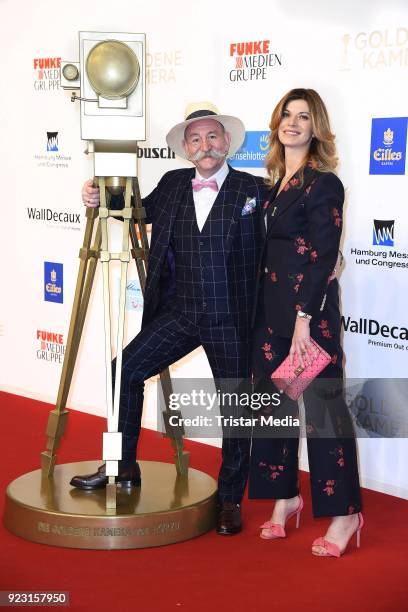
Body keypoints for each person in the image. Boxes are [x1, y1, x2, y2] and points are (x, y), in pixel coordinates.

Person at [71, 102, 267, 535]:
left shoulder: (254, 189)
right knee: (124, 370)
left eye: (212, 136)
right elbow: (136, 208)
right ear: (185, 148)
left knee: (236, 409)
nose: (205, 145)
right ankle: (121, 469)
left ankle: (231, 498)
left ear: (228, 142)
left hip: (230, 319)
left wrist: (329, 258)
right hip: (180, 313)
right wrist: (100, 195)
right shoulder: (174, 183)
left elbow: (293, 229)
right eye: (195, 139)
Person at [248, 88, 363, 557]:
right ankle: (286, 498)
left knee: (322, 417)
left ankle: (345, 514)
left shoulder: (324, 183)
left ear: (317, 128)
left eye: (303, 116)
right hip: (269, 317)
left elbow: (321, 258)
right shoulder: (273, 186)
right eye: (286, 115)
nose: (292, 123)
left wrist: (303, 319)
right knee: (272, 413)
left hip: (307, 319)